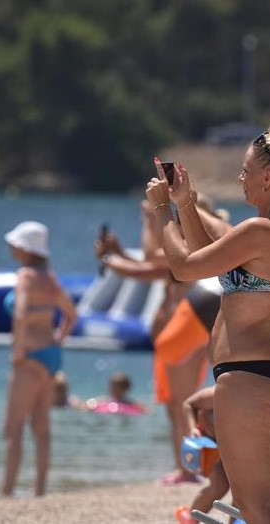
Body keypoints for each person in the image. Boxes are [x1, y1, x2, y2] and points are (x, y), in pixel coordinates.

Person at [147, 115, 270, 523]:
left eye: (246, 172)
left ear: (269, 177)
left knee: (256, 510)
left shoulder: (259, 229)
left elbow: (182, 268)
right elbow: (206, 262)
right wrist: (185, 202)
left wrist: (162, 210)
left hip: (246, 380)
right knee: (264, 507)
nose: (240, 179)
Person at [98, 198, 227, 485]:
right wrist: (116, 253)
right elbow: (148, 265)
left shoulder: (190, 253)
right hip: (182, 338)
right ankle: (187, 466)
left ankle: (190, 468)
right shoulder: (185, 257)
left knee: (181, 405)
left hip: (183, 341)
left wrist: (149, 219)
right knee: (176, 407)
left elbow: (148, 259)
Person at [1, 220, 77, 497]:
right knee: (41, 428)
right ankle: (40, 491)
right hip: (51, 356)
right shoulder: (49, 277)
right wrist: (57, 339)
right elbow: (71, 314)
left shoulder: (25, 276)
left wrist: (18, 350)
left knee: (13, 428)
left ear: (23, 248)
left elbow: (20, 313)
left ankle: (7, 492)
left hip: (30, 355)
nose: (11, 248)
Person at [174, 385, 230, 524]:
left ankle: (236, 520)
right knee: (219, 485)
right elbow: (188, 404)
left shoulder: (256, 392)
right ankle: (190, 519)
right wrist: (192, 428)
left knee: (243, 487)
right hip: (208, 442)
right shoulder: (219, 391)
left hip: (233, 443)